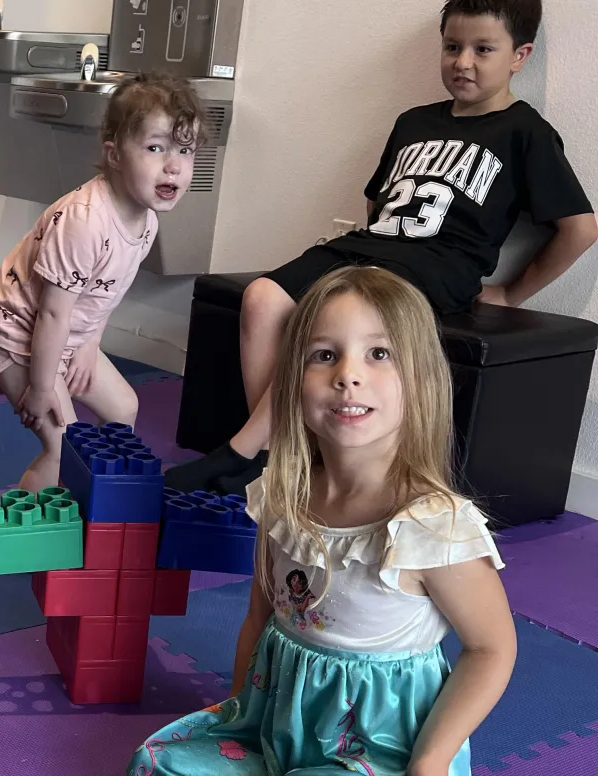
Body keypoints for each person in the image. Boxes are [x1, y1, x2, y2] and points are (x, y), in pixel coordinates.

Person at [120, 267, 553, 776]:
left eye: (379, 354)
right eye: (325, 354)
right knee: (158, 767)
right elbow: (262, 616)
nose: (348, 375)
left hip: (373, 761)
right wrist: (238, 709)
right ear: (293, 379)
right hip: (278, 730)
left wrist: (433, 760)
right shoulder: (282, 493)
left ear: (420, 379)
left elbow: (492, 648)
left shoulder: (430, 525)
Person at [166, 0, 597, 497]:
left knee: (335, 313)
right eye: (452, 47)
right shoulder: (414, 121)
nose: (463, 62)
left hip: (440, 265)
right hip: (372, 246)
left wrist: (510, 293)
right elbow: (377, 200)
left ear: (519, 56)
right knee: (262, 297)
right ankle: (285, 451)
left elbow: (580, 229)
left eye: (483, 50)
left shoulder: (526, 133)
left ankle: (244, 453)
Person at [0, 72, 203, 492]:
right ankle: (25, 525)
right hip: (16, 335)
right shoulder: (85, 222)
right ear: (114, 155)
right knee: (63, 445)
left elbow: (105, 295)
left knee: (123, 409)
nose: (173, 165)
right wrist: (42, 387)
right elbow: (52, 312)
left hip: (66, 335)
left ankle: (92, 507)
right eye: (155, 148)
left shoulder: (146, 222)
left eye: (185, 150)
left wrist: (89, 343)